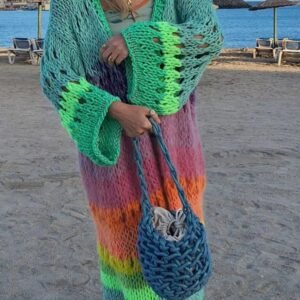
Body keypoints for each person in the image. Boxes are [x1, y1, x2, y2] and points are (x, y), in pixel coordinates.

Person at [40, 0, 223, 299]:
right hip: (116, 163)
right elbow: (55, 75)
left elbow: (208, 35)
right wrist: (114, 110)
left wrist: (137, 41)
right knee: (129, 267)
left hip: (177, 151)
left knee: (181, 258)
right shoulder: (71, 4)